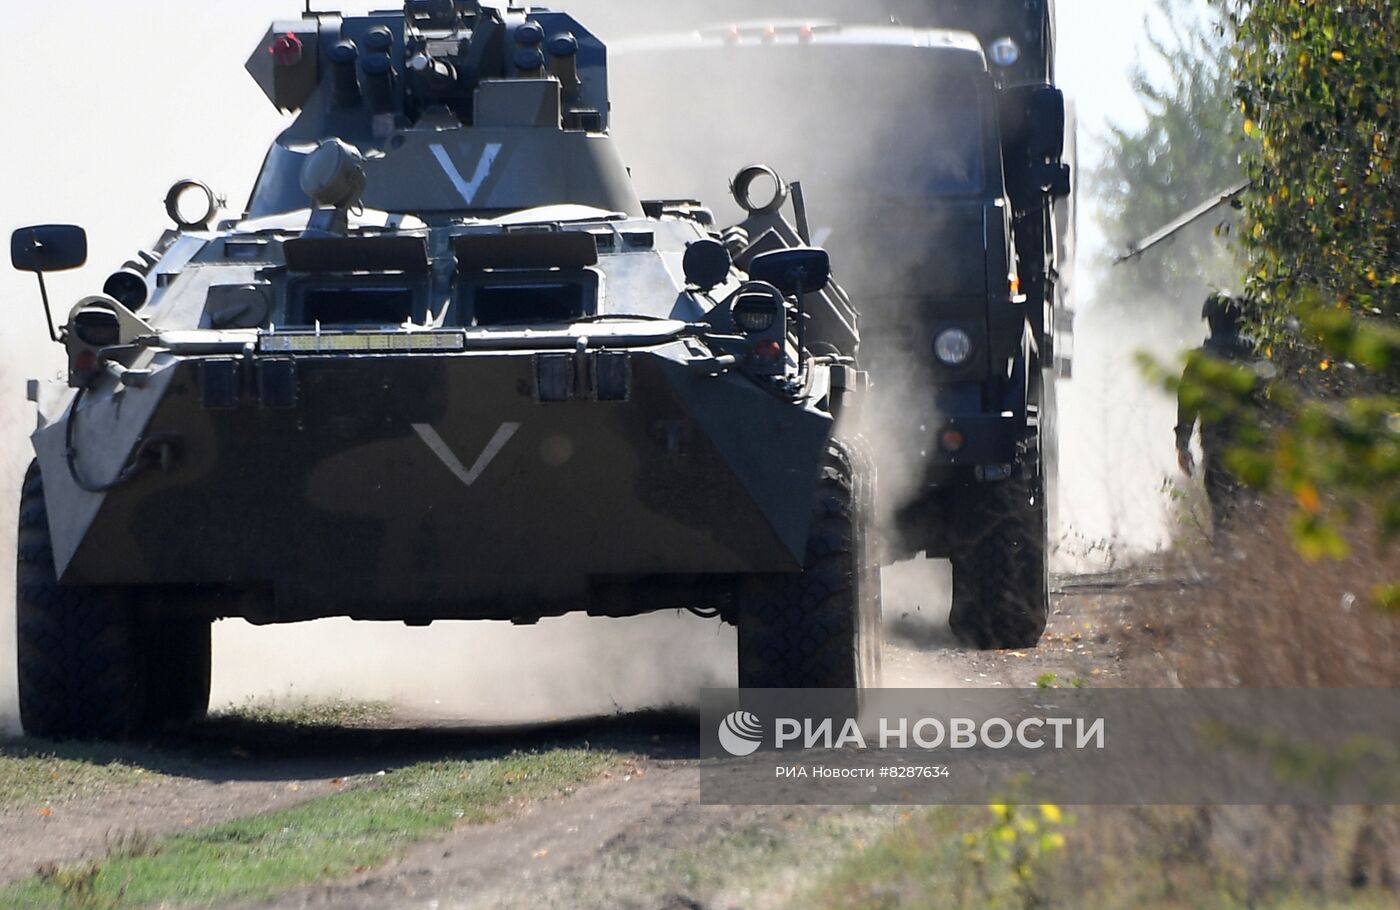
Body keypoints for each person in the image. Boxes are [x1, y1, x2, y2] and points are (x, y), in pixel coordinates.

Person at [1175, 293, 1256, 531]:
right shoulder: (1255, 355)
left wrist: (1182, 444)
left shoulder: (1201, 360)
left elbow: (1187, 403)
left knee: (1222, 515)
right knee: (1255, 512)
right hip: (1254, 447)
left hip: (1217, 448)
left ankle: (1227, 562)